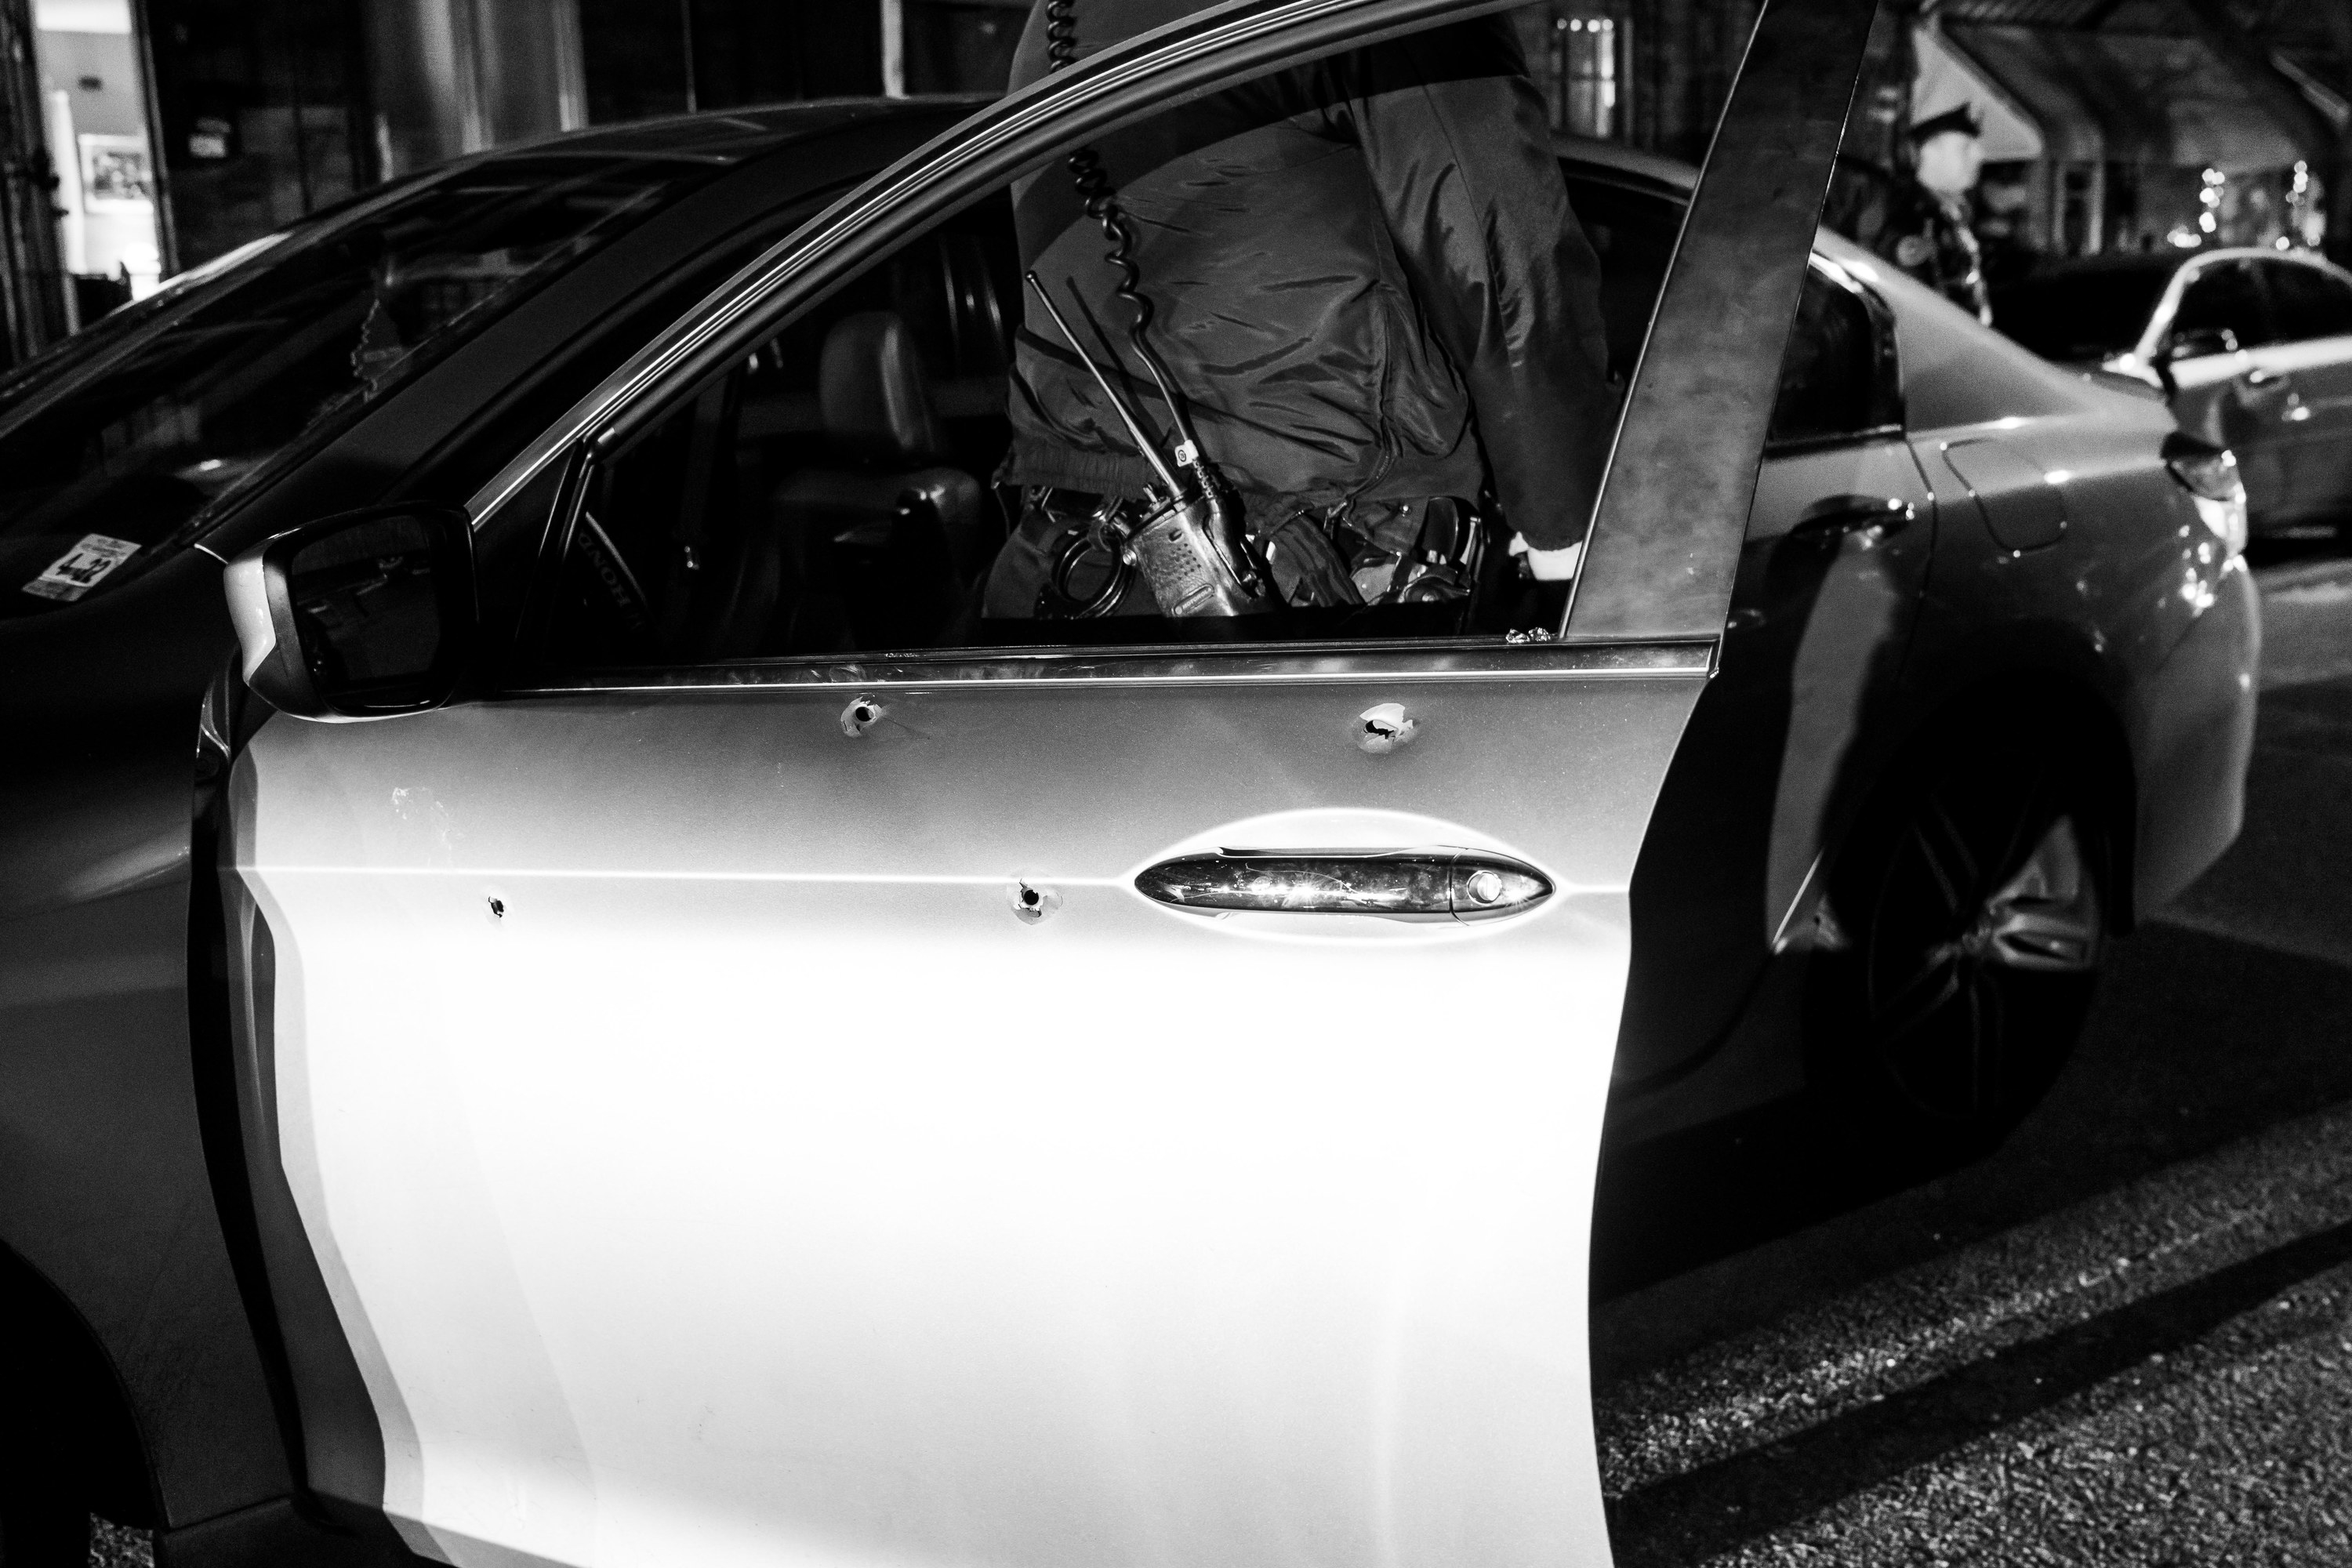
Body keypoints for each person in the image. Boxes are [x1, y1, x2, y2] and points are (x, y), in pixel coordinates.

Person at [984, 0, 1615, 621]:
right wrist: (1563, 527)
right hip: (1314, 574)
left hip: (1064, 565)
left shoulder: (1054, 16)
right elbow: (1500, 257)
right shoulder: (1377, 12)